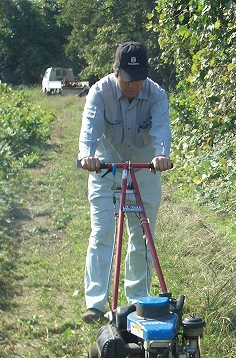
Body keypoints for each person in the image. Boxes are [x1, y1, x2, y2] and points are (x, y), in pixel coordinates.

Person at [77, 41, 172, 322]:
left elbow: (161, 129)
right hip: (107, 168)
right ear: (116, 72)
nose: (134, 86)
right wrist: (87, 156)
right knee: (103, 231)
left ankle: (138, 301)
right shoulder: (99, 93)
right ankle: (95, 304)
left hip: (144, 170)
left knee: (142, 236)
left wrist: (162, 155)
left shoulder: (156, 95)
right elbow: (90, 128)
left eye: (139, 80)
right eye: (129, 81)